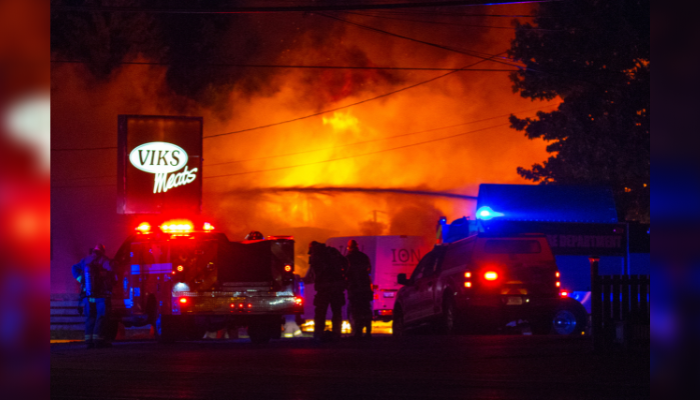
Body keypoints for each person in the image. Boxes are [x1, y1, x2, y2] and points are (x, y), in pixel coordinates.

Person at [72, 244, 115, 349]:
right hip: (101, 295)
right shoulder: (104, 260)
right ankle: (98, 340)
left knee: (90, 316)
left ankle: (88, 341)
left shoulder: (85, 260)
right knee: (101, 316)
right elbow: (112, 268)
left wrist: (81, 278)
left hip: (88, 295)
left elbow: (74, 268)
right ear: (102, 251)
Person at [307, 241, 347, 342]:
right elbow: (346, 263)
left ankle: (319, 333)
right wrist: (343, 276)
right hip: (337, 287)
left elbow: (312, 273)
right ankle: (337, 333)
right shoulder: (333, 251)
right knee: (337, 312)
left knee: (320, 313)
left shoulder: (316, 255)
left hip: (323, 288)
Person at [345, 240, 374, 339]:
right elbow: (368, 271)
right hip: (365, 288)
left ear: (349, 248)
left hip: (354, 289)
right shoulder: (364, 257)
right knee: (366, 309)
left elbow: (346, 273)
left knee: (356, 311)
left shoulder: (348, 258)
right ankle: (368, 331)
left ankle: (358, 332)